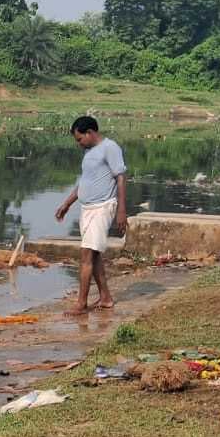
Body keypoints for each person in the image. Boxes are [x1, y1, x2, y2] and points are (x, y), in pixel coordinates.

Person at [53, 116, 128, 316]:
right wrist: (67, 204)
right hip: (87, 208)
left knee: (86, 255)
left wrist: (122, 209)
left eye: (80, 139)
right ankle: (106, 298)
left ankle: (81, 304)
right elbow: (84, 183)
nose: (79, 144)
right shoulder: (90, 154)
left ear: (90, 133)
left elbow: (120, 177)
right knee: (94, 257)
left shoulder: (110, 148)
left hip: (102, 207)